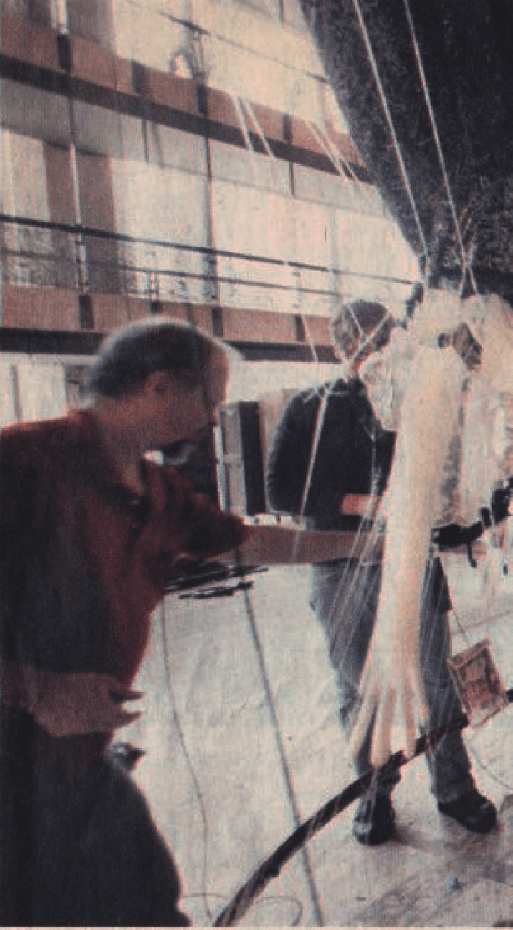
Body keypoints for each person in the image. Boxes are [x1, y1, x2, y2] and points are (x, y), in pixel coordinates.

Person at [0, 318, 373, 926]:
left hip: (76, 758)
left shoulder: (158, 491)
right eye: (209, 402)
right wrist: (38, 691)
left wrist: (370, 545)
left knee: (151, 895)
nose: (210, 420)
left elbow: (253, 542)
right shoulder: (24, 460)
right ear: (160, 386)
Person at [265, 299, 497, 846]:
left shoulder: (417, 402)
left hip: (411, 561)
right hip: (339, 566)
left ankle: (455, 788)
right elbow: (278, 491)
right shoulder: (308, 407)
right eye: (364, 342)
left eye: (384, 339)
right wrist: (362, 504)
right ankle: (374, 793)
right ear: (343, 348)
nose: (375, 351)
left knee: (436, 678)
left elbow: (448, 479)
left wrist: (465, 515)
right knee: (357, 687)